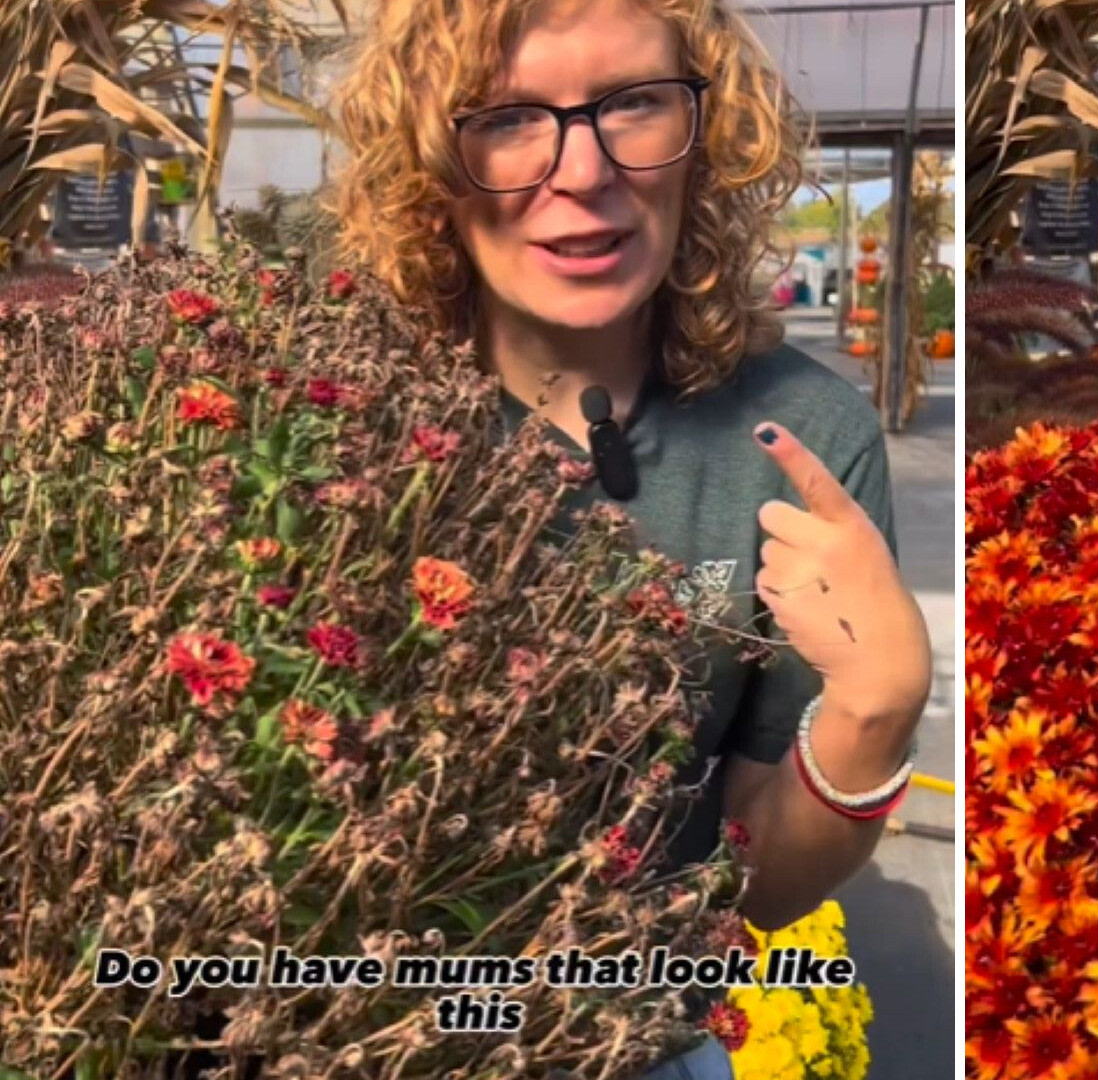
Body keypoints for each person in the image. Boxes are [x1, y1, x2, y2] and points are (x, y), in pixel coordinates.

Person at [320, 0, 934, 1075]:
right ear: (429, 167)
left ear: (709, 136)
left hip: (636, 1042)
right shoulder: (322, 410)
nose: (583, 171)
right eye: (511, 118)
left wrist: (872, 719)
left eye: (635, 105)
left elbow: (761, 883)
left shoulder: (798, 443)